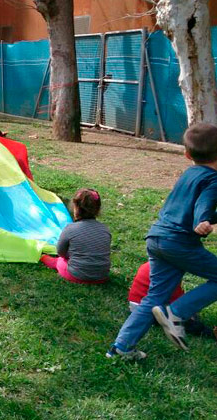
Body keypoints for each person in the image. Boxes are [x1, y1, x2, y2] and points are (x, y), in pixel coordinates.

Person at [108, 123, 217, 359]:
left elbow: (190, 206)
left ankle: (121, 348)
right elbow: (203, 205)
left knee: (154, 298)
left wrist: (207, 218)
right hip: (179, 243)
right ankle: (176, 313)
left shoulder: (188, 174)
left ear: (187, 154)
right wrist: (204, 219)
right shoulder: (212, 179)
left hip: (157, 238)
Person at [39, 188, 111, 284]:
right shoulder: (105, 229)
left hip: (77, 275)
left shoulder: (70, 229)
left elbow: (60, 253)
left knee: (60, 261)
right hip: (102, 276)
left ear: (75, 208)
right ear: (98, 209)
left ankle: (45, 259)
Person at [127, 262, 212, 338]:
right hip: (149, 310)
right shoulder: (172, 271)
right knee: (195, 326)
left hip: (135, 306)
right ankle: (209, 333)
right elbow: (177, 300)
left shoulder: (152, 264)